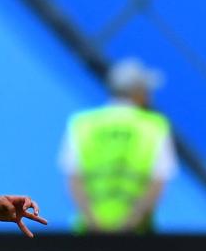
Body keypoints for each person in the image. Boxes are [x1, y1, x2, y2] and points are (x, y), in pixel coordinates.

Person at [60, 57, 178, 233]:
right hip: (137, 236)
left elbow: (74, 180)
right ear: (137, 92)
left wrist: (94, 222)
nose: (149, 97)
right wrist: (129, 224)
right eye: (146, 91)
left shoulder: (82, 124)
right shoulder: (155, 126)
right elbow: (157, 183)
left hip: (88, 233)